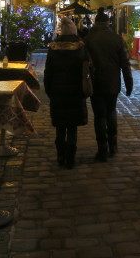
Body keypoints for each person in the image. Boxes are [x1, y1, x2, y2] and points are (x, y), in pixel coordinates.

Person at [85, 7, 133, 162]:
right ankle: (113, 145)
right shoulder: (117, 39)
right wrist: (129, 82)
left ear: (95, 22)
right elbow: (125, 63)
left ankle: (102, 149)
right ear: (108, 22)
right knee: (111, 111)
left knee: (99, 116)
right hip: (113, 82)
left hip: (96, 81)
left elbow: (84, 63)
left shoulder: (89, 39)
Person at [43, 16, 90, 169]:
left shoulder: (53, 49)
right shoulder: (81, 48)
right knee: (72, 128)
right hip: (76, 92)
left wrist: (50, 91)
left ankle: (60, 155)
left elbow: (48, 73)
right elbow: (88, 70)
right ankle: (70, 158)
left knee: (60, 127)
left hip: (58, 92)